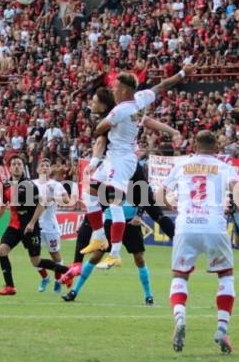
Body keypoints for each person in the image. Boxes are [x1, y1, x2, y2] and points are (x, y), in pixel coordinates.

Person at [80, 65, 194, 268]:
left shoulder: (120, 110)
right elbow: (163, 85)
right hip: (115, 158)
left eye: (116, 88)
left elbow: (99, 131)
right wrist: (183, 73)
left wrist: (101, 124)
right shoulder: (141, 98)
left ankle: (114, 252)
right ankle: (98, 237)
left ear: (124, 90)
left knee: (117, 202)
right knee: (90, 191)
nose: (113, 90)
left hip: (122, 159)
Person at [156, 130, 239, 354]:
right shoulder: (223, 166)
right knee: (225, 275)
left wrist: (172, 206)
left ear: (194, 145)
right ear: (216, 148)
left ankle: (180, 318)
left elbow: (158, 194)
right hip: (213, 226)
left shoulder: (183, 165)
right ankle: (222, 328)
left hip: (186, 225)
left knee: (180, 275)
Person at [0, 155, 70, 296]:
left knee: (36, 261)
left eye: (19, 164)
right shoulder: (6, 185)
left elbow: (41, 204)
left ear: (23, 167)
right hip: (13, 227)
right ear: (9, 167)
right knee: (2, 251)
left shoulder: (30, 185)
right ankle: (9, 287)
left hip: (30, 228)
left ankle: (67, 271)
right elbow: (3, 205)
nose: (17, 166)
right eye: (14, 164)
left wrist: (32, 223)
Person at [61, 199, 155, 304]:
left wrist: (138, 215)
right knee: (95, 257)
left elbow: (143, 195)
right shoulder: (109, 184)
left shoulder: (135, 183)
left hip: (131, 221)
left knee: (139, 259)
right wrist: (86, 223)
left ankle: (149, 296)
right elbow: (99, 200)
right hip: (111, 221)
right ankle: (74, 291)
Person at [33, 158, 71, 293]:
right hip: (35, 226)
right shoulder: (31, 184)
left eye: (47, 166)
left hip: (50, 227)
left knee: (55, 255)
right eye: (42, 165)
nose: (44, 167)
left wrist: (53, 198)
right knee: (34, 256)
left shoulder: (55, 185)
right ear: (37, 169)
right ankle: (45, 278)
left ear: (50, 170)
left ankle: (57, 281)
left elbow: (67, 200)